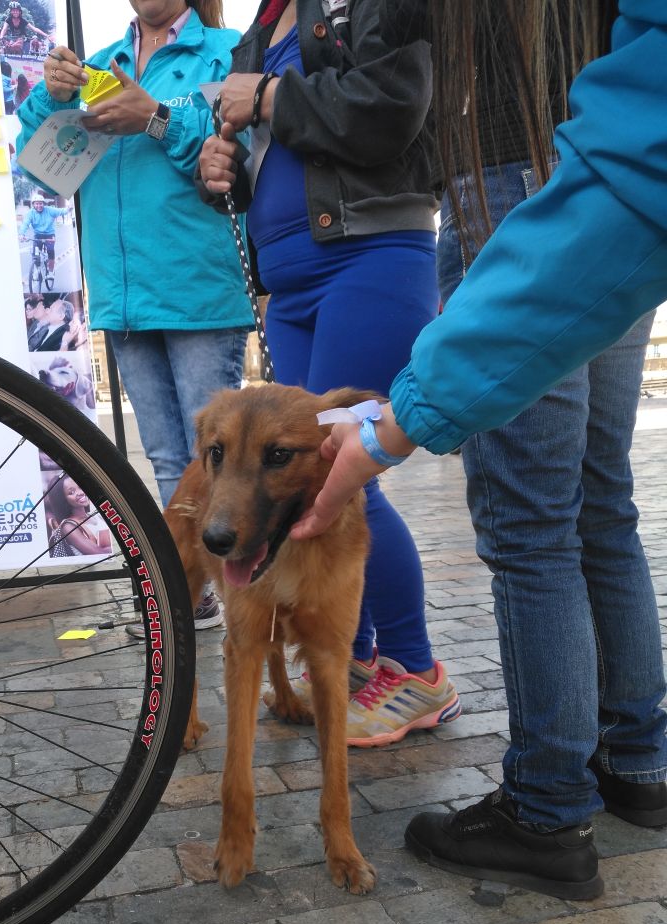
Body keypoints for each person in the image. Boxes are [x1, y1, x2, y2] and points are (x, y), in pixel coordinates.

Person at [290, 0, 667, 901]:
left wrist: (387, 433)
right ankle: (642, 764)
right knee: (598, 501)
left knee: (533, 524)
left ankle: (546, 808)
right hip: (603, 166)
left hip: (517, 184)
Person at [197, 0, 460, 744]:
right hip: (291, 282)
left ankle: (415, 674)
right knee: (311, 491)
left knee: (345, 477)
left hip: (368, 256)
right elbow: (287, 156)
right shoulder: (261, 26)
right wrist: (229, 171)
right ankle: (356, 656)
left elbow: (394, 106)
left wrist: (272, 98)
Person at [17, 0, 254, 633]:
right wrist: (50, 93)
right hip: (125, 297)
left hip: (198, 286)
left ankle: (238, 594)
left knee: (219, 461)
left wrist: (153, 118)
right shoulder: (99, 66)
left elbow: (235, 153)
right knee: (170, 459)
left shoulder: (226, 52)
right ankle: (193, 592)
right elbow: (38, 162)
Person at [46, 475, 112, 557]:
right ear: (63, 499)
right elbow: (100, 553)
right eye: (72, 492)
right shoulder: (69, 526)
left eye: (80, 487)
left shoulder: (96, 516)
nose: (80, 493)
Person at [20, 193, 70, 277]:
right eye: (37, 203)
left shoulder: (50, 210)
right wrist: (22, 234)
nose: (39, 205)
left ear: (43, 204)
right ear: (33, 204)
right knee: (35, 255)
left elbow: (61, 211)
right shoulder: (30, 213)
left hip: (49, 235)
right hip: (38, 235)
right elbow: (25, 224)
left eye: (41, 203)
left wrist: (68, 209)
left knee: (50, 253)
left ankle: (50, 272)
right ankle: (38, 270)